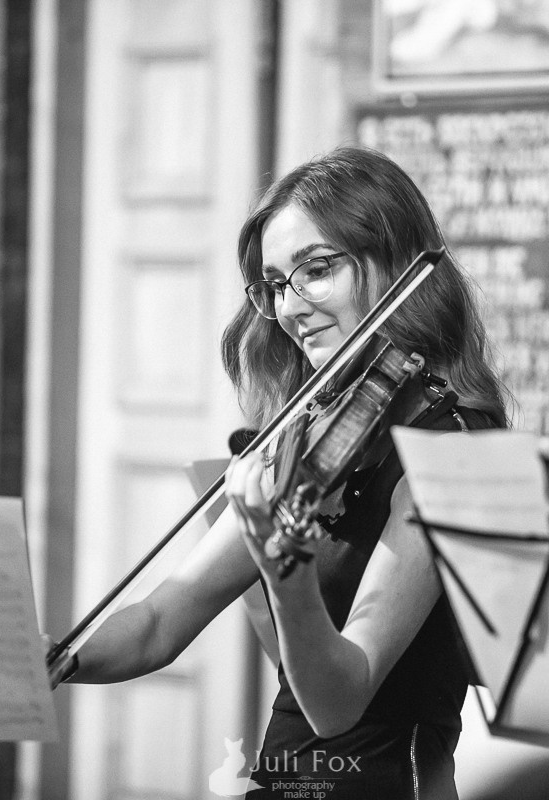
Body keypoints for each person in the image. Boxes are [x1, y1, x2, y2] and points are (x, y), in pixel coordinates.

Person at [59, 145, 509, 800]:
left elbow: (340, 701)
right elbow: (159, 623)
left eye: (317, 271)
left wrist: (285, 569)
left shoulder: (452, 456)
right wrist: (52, 658)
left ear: (397, 265)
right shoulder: (307, 439)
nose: (291, 306)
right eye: (274, 284)